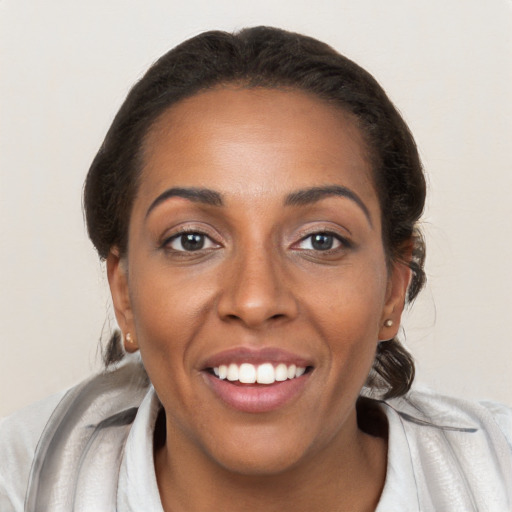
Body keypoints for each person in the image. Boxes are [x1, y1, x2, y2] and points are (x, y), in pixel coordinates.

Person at [0, 26, 510, 512]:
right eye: (192, 240)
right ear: (124, 293)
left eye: (320, 240)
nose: (256, 299)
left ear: (394, 289)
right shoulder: (18, 486)